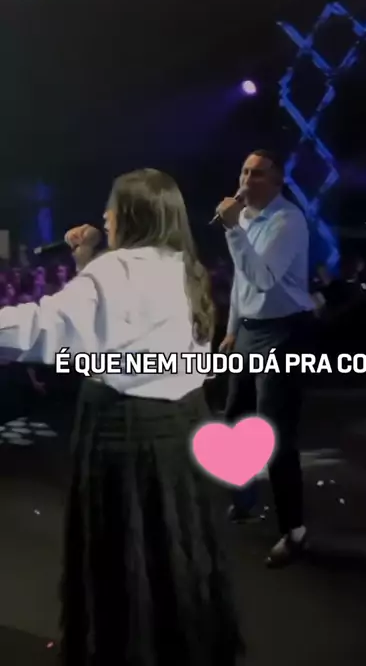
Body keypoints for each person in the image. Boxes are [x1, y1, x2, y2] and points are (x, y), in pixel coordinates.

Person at [0, 168, 244, 666]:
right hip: (182, 427)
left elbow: (48, 328)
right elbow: (119, 321)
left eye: (112, 206)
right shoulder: (186, 266)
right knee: (172, 550)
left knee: (125, 556)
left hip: (125, 432)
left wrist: (93, 266)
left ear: (131, 214)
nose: (104, 214)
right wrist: (88, 260)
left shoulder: (116, 272)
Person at [216, 150, 315, 568]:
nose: (246, 179)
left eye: (257, 174)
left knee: (275, 432)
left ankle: (294, 531)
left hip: (285, 332)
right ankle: (245, 498)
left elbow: (262, 278)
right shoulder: (246, 218)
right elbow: (241, 283)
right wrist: (231, 329)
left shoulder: (287, 221)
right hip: (250, 330)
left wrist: (231, 231)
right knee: (234, 417)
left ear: (277, 182)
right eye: (244, 171)